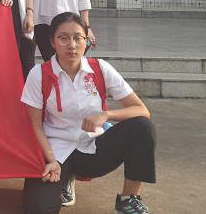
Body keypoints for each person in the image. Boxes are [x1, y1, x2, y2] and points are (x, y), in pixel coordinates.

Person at [21, 12, 156, 214]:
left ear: (86, 41)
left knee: (142, 127)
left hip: (93, 147)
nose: (72, 45)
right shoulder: (39, 74)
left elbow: (141, 110)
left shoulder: (100, 69)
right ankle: (65, 178)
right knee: (37, 208)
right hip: (56, 151)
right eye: (63, 38)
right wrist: (51, 160)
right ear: (52, 42)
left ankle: (128, 200)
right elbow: (35, 125)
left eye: (78, 38)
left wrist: (106, 115)